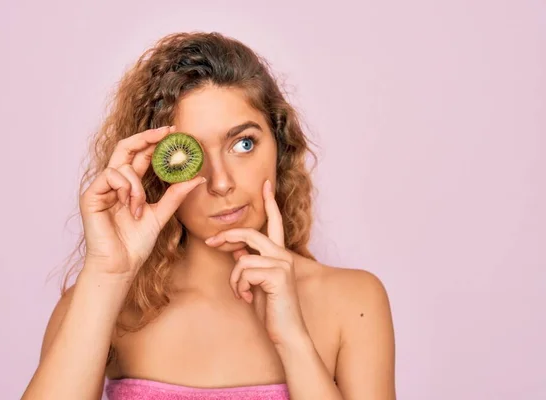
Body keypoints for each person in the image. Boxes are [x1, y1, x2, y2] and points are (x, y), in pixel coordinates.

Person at [21, 31, 396, 400]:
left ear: (279, 146)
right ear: (155, 170)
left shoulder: (353, 301)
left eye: (243, 144)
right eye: (191, 156)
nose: (220, 183)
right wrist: (108, 273)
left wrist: (293, 342)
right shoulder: (104, 304)